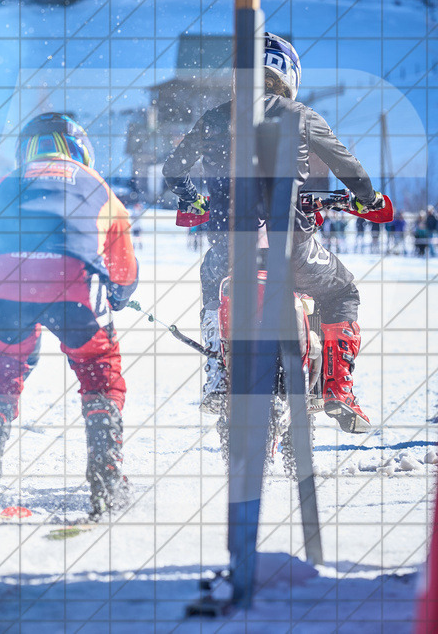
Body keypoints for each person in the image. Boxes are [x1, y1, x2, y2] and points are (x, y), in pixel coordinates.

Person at [163, 32, 383, 434]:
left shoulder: (214, 118)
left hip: (230, 247)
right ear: (287, 74)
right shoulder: (301, 115)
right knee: (342, 291)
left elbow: (173, 170)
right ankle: (337, 386)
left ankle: (218, 372)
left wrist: (193, 200)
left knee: (212, 285)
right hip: (291, 246)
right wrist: (368, 199)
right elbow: (348, 167)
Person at [0, 112, 138, 523]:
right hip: (73, 279)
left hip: (5, 279)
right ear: (80, 149)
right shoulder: (99, 186)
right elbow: (124, 268)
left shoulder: (8, 183)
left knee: (4, 368)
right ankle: (106, 481)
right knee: (99, 366)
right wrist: (119, 294)